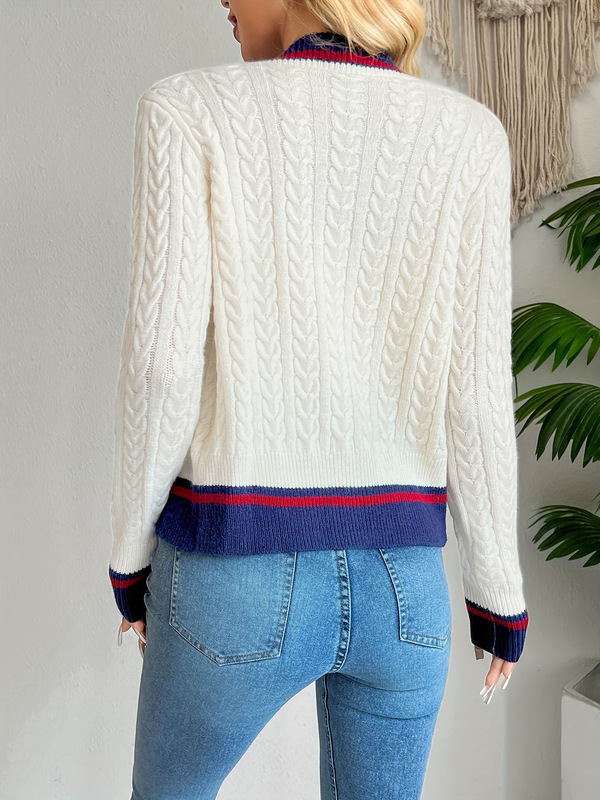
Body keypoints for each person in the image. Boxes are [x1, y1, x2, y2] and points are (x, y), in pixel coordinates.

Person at [108, 0, 529, 797]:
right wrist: (498, 594)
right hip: (405, 588)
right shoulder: (470, 136)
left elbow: (161, 368)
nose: (222, 0)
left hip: (233, 569)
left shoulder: (185, 111)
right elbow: (476, 393)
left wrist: (129, 558)